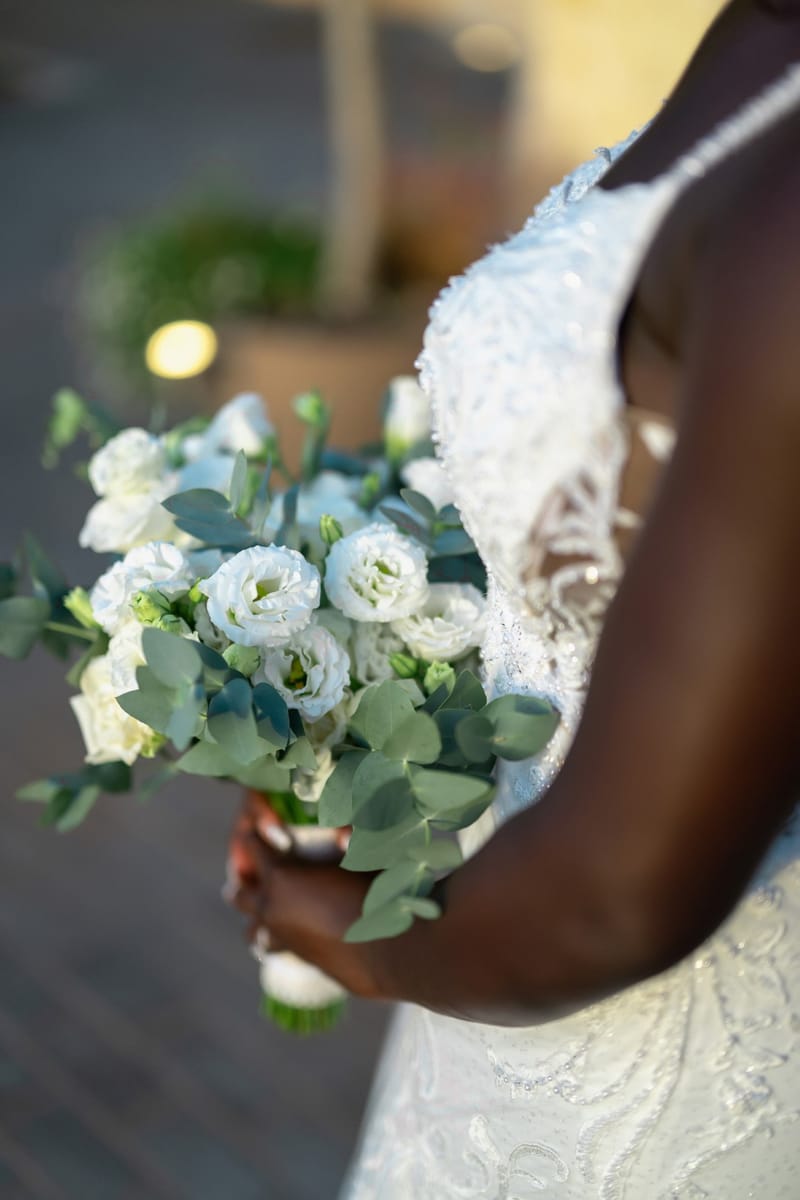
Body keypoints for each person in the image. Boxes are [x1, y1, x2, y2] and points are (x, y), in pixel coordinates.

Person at [230, 2, 800, 1194]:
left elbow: (612, 902)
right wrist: (388, 722)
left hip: (655, 1019)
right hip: (492, 936)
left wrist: (339, 931)